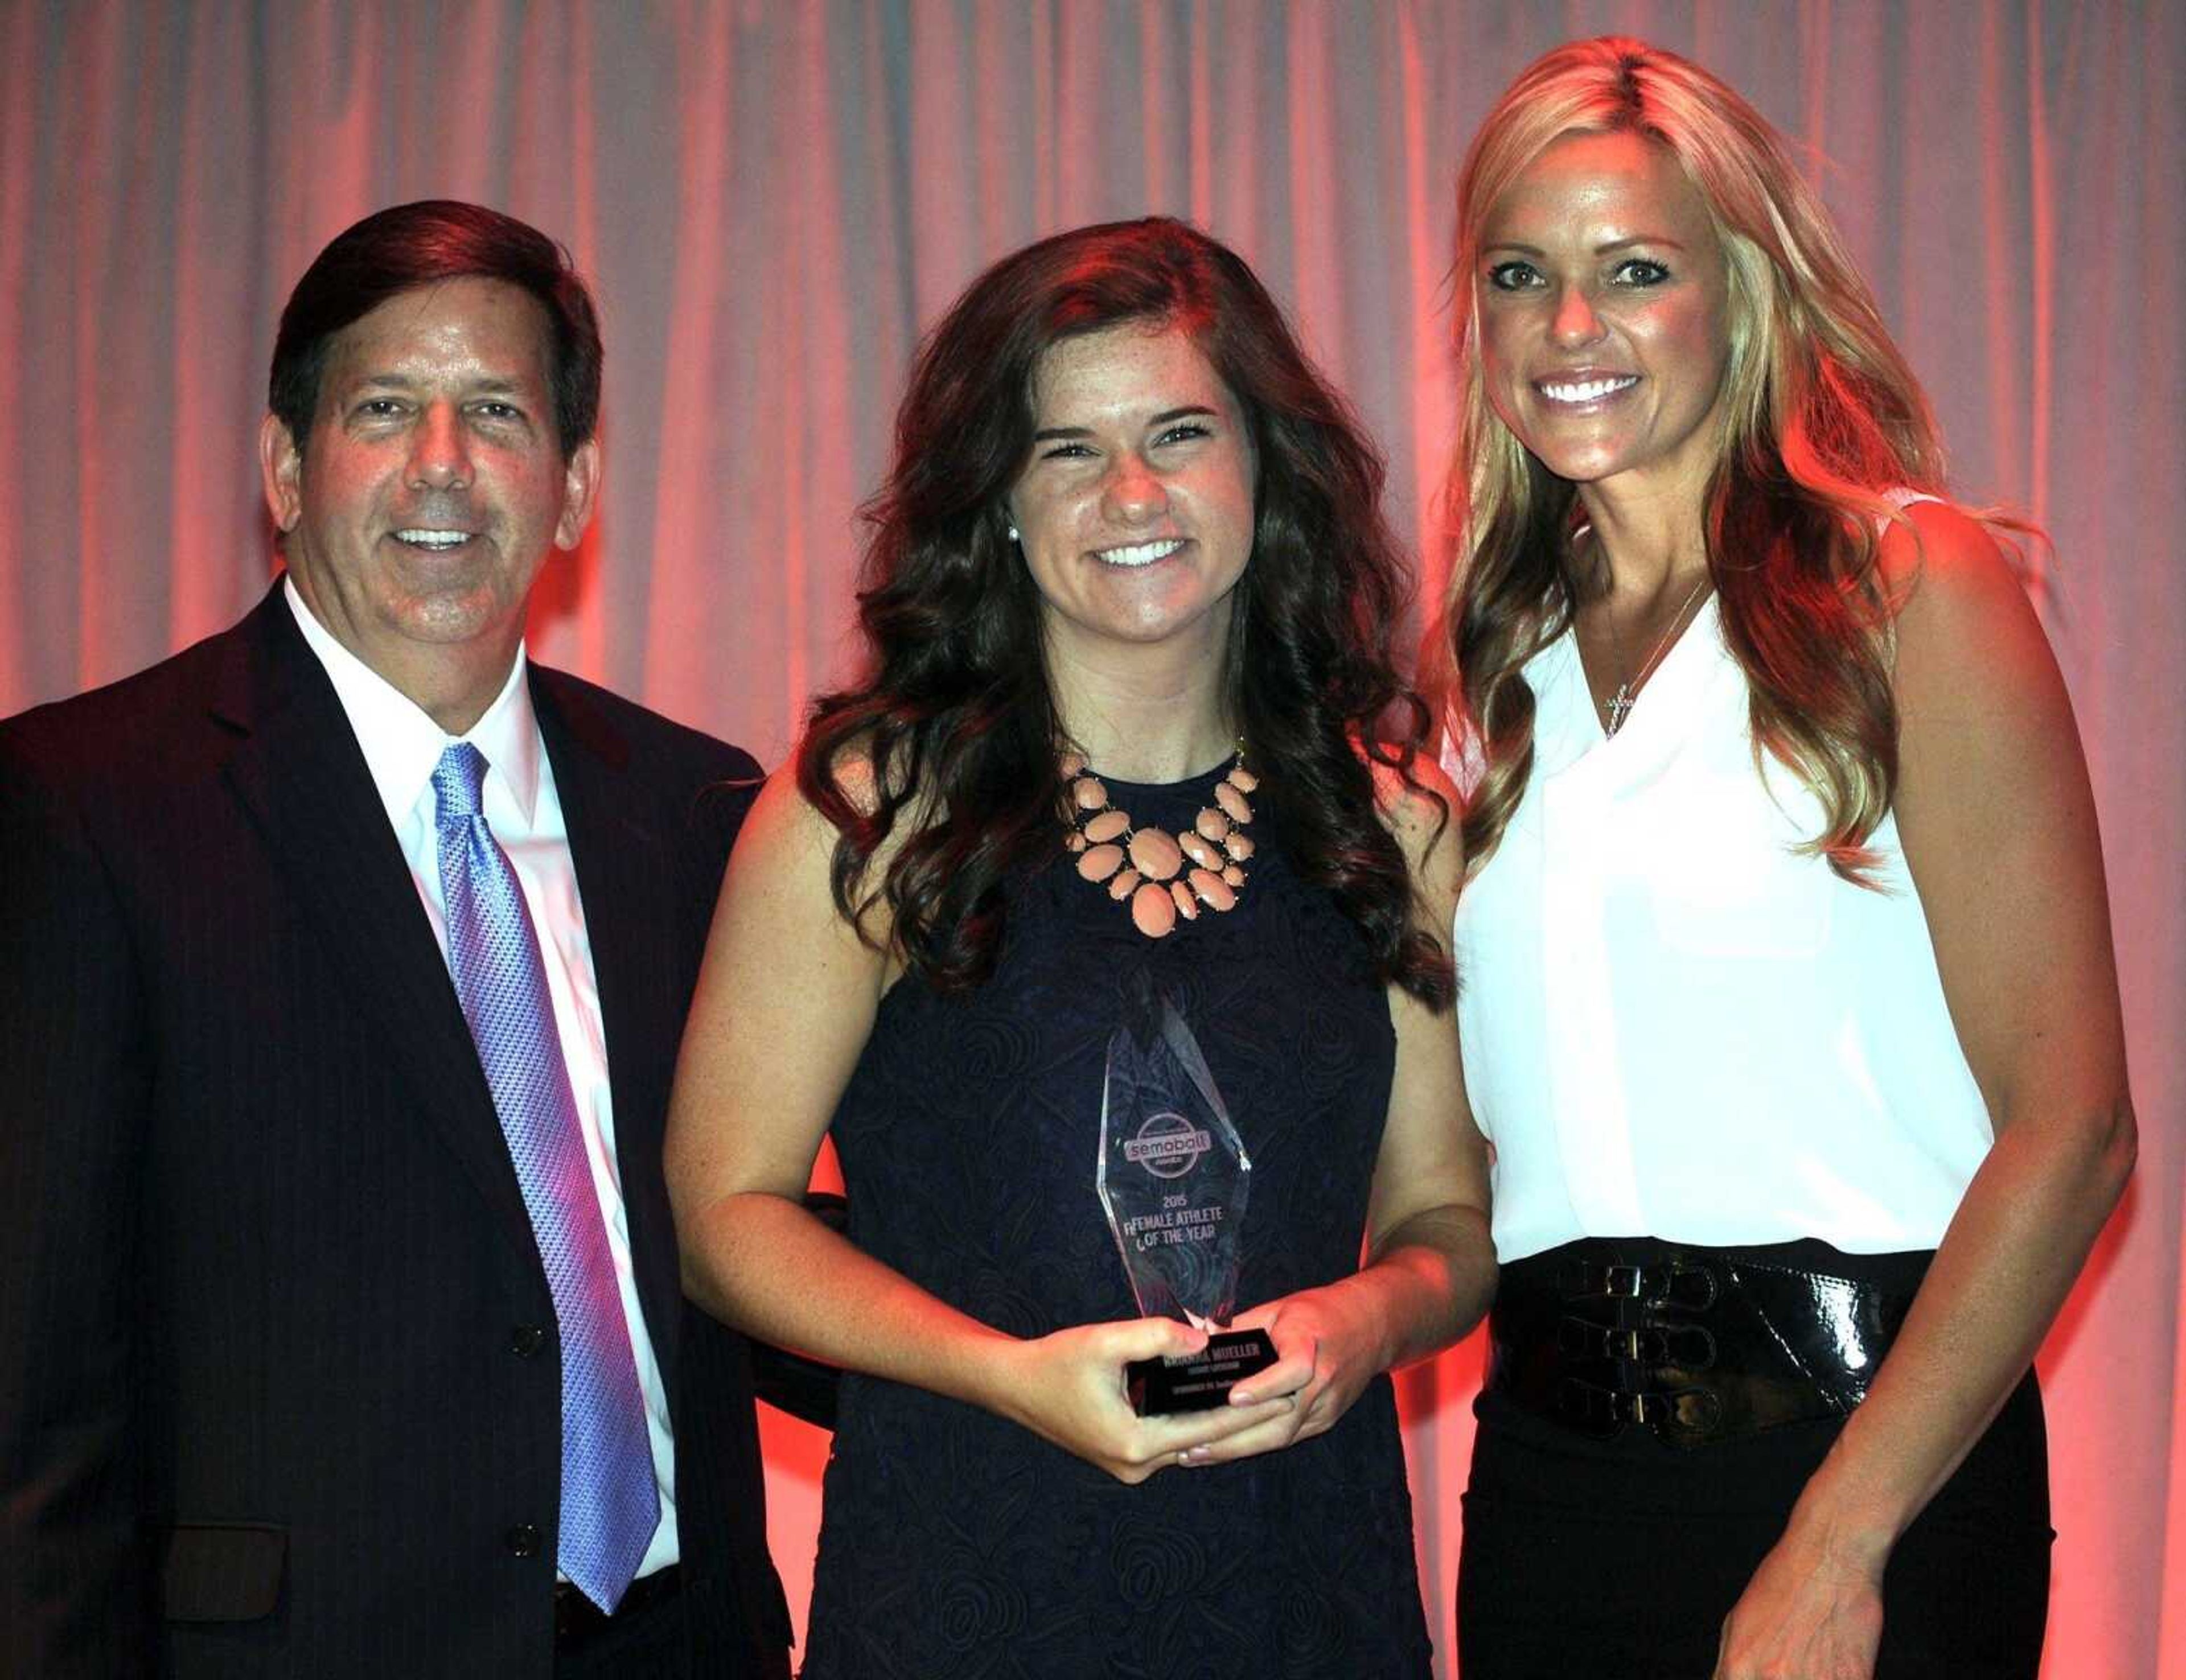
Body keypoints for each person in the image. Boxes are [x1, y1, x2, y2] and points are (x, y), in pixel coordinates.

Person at [665, 216, 1494, 1678]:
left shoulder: (1395, 828)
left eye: (1180, 432)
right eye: (1067, 451)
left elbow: (1446, 1226)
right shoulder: (865, 817)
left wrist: (1362, 1327)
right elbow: (725, 1217)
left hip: (1305, 1586)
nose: (1132, 493)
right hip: (963, 1575)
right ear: (996, 501)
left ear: (1264, 469)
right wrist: (1006, 1376)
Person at [0, 201, 790, 1678]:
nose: (444, 462)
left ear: (574, 487)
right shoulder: (86, 808)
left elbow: (735, 1237)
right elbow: (33, 1399)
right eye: (385, 409)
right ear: (286, 470)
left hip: (687, 1646)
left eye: (496, 411)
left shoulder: (693, 805)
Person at [1436, 37, 2135, 1680]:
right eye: (1523, 275)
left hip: (1859, 1474)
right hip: (1545, 1492)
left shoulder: (1908, 584)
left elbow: (2078, 1126)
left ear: (1742, 295)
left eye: (1635, 271)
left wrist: (1839, 1541)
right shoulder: (1489, 681)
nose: (1570, 329)